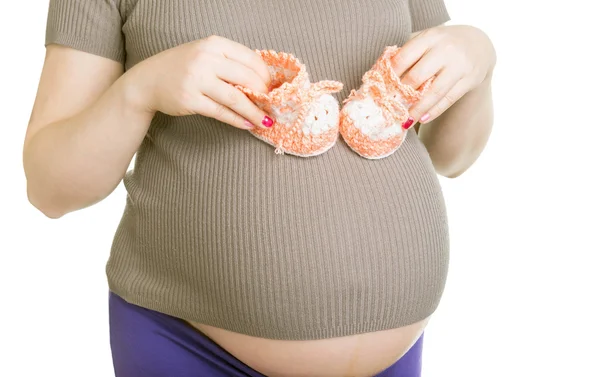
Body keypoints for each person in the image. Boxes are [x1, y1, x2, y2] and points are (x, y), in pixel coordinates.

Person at [23, 0, 495, 376]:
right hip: (191, 350)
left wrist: (480, 61)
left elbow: (451, 157)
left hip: (398, 355)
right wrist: (140, 89)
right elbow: (51, 189)